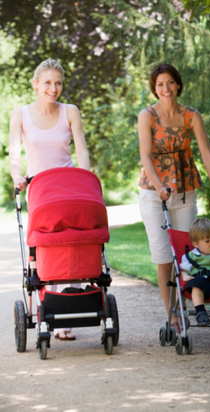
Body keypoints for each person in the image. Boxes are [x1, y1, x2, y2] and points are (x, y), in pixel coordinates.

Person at [138, 63, 210, 334]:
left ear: (178, 84)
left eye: (169, 83)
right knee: (164, 257)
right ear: (154, 90)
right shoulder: (147, 115)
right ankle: (173, 316)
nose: (165, 89)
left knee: (185, 254)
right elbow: (145, 155)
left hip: (186, 191)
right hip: (155, 195)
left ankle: (183, 306)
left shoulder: (191, 115)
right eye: (159, 85)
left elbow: (206, 153)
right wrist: (160, 185)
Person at [9, 58, 90, 341]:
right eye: (47, 83)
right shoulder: (20, 114)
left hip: (68, 187)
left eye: (58, 83)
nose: (53, 88)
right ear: (35, 84)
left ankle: (67, 313)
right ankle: (49, 307)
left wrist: (87, 180)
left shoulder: (70, 111)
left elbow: (81, 150)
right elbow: (14, 153)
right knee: (43, 248)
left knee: (68, 243)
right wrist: (17, 176)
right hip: (39, 190)